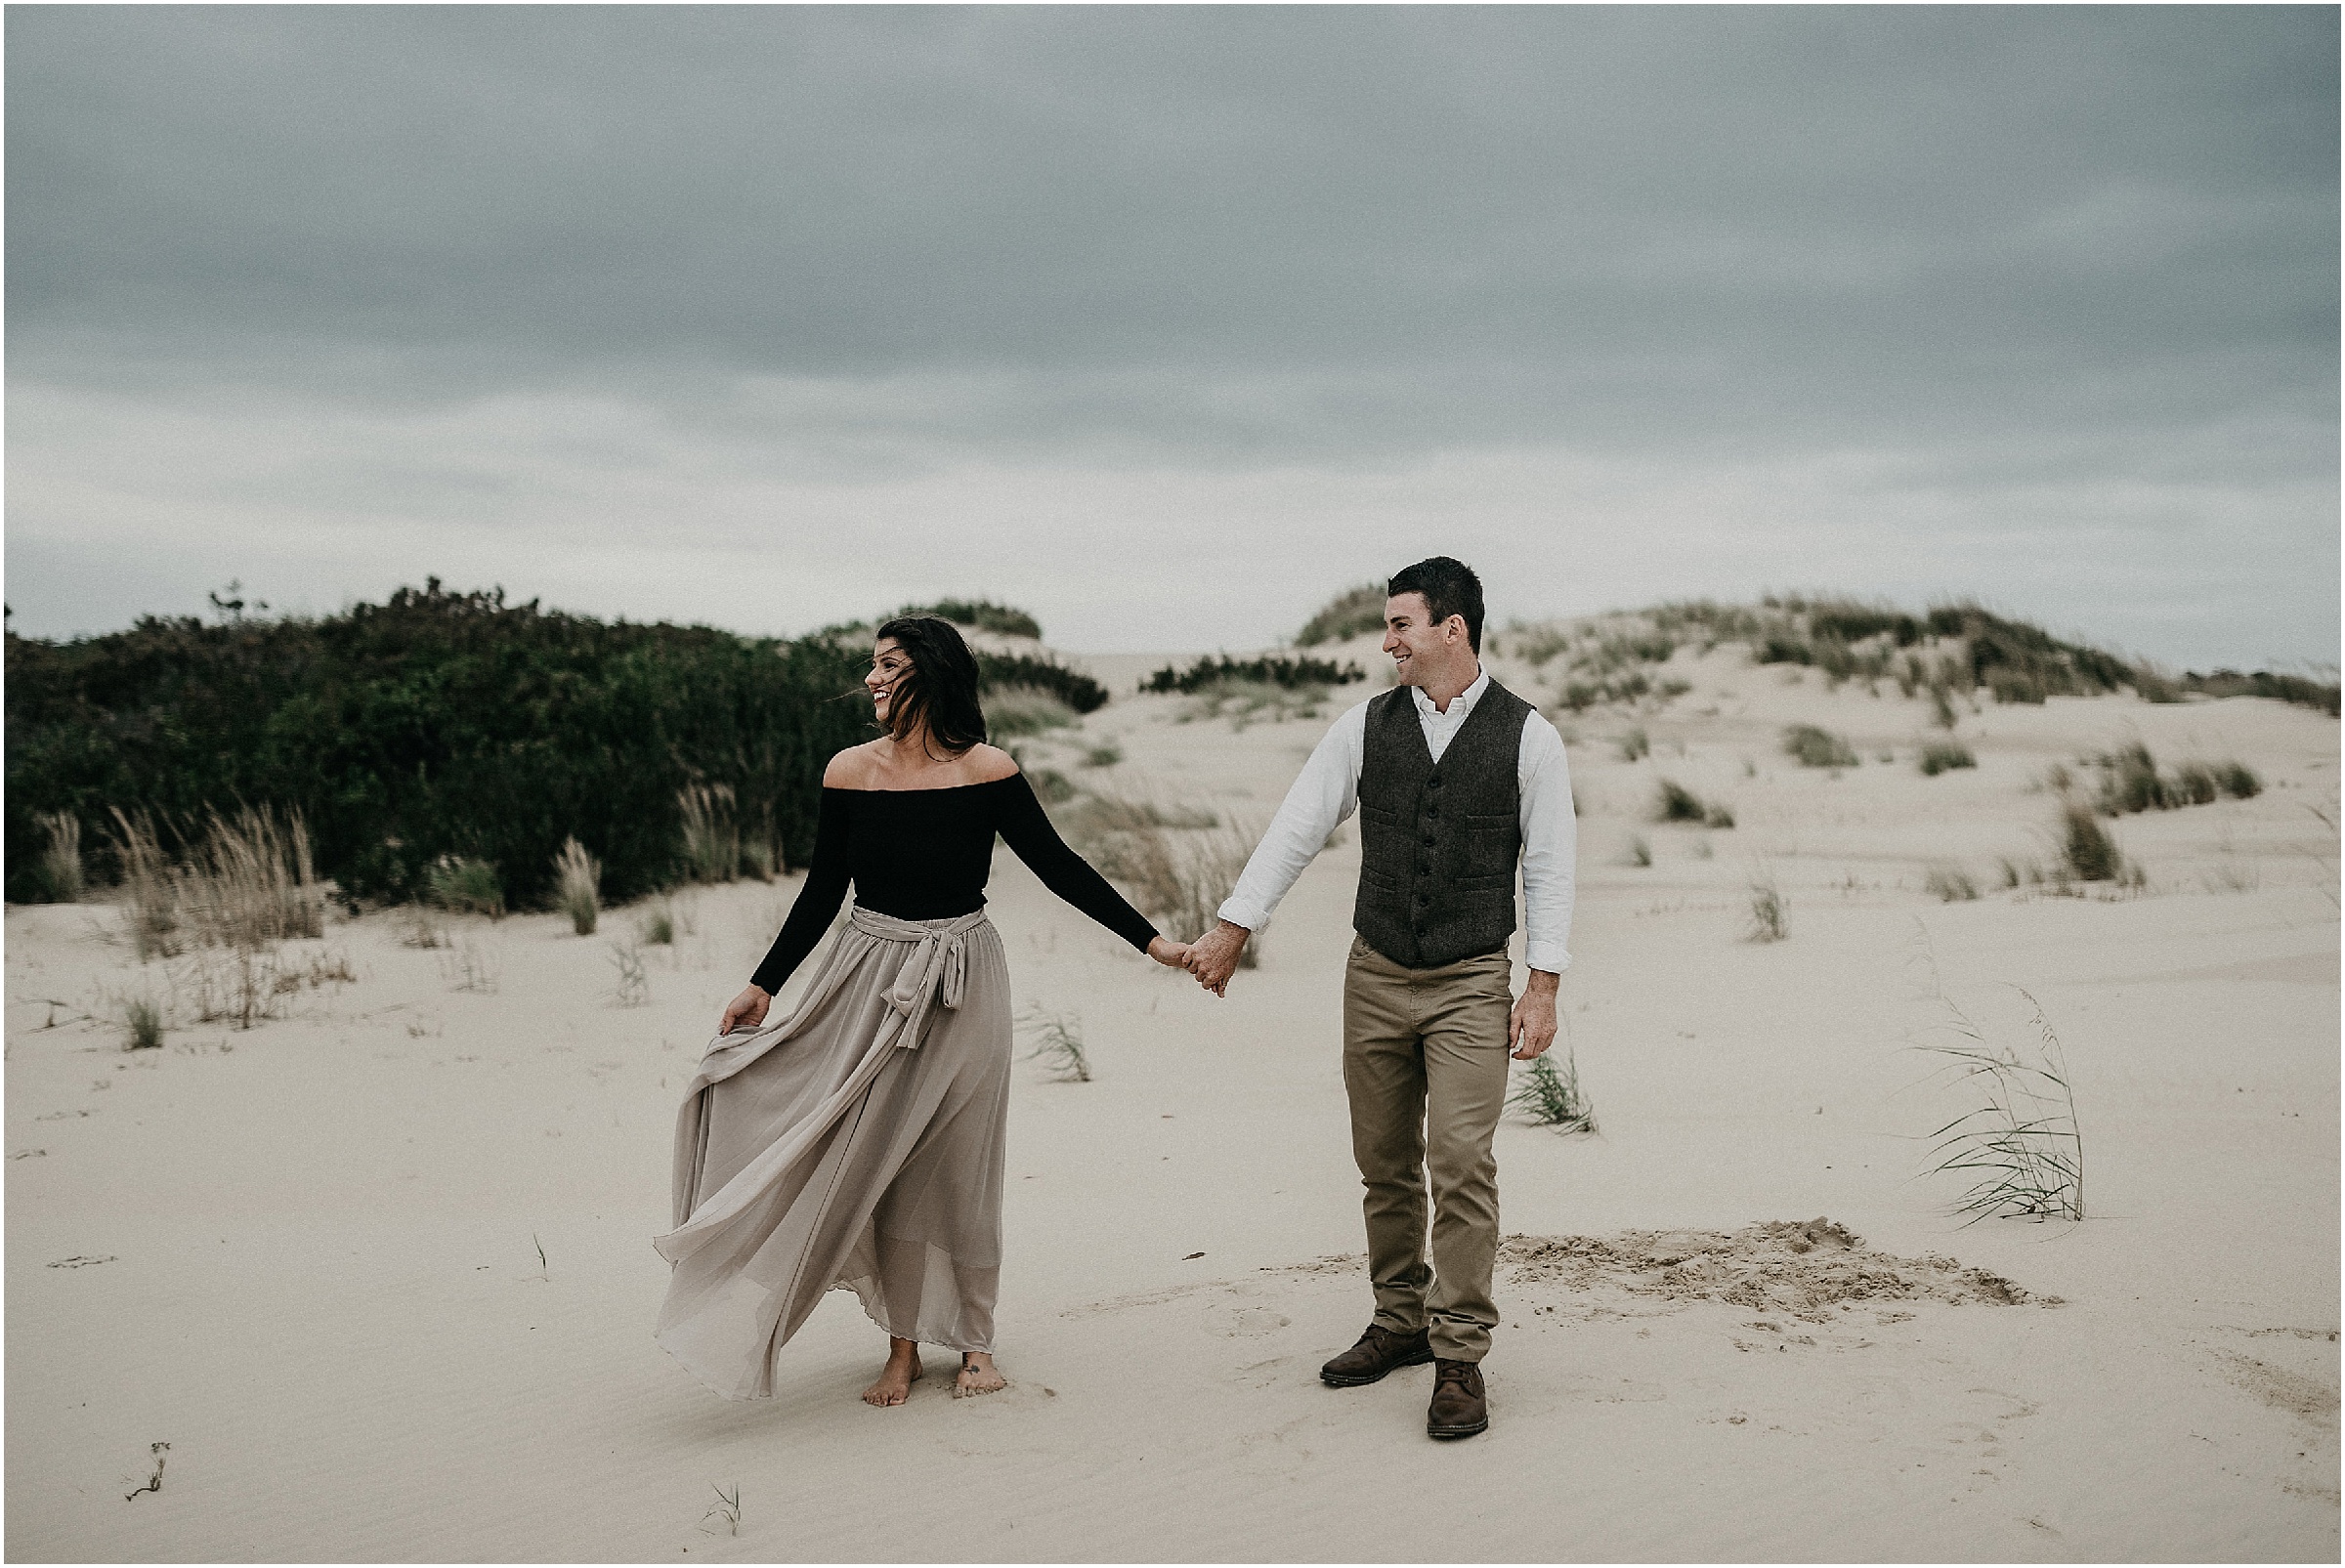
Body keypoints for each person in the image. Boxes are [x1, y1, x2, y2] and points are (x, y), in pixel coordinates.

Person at [655, 615, 1191, 1404]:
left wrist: (1154, 942)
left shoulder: (988, 768)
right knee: (883, 1160)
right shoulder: (847, 771)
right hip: (865, 975)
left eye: (888, 666)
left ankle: (974, 1340)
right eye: (871, 665)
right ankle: (901, 1346)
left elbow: (1059, 867)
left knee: (961, 1163)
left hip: (964, 976)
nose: (871, 679)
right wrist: (764, 981)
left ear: (931, 675)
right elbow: (822, 889)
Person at [1182, 557, 1575, 1440]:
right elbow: (1298, 826)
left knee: (1462, 1159)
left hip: (1473, 977)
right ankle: (1400, 1320)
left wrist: (1541, 985)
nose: (1387, 639)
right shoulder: (1364, 727)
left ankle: (1461, 1353)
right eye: (1388, 624)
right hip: (1376, 971)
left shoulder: (1530, 738)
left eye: (1401, 623)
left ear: (1453, 628)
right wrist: (1233, 927)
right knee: (1383, 1160)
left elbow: (1549, 866)